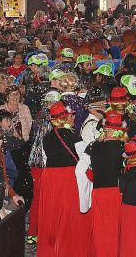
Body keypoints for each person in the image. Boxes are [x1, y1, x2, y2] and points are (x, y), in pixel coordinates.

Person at [35, 101, 92, 256]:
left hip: (51, 177)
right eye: (70, 115)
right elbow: (84, 159)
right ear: (65, 118)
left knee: (52, 214)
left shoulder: (46, 138)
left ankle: (52, 249)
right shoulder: (74, 136)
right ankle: (69, 249)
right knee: (69, 215)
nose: (73, 118)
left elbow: (46, 159)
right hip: (68, 177)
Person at [84, 110, 127, 257]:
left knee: (101, 229)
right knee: (116, 229)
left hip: (98, 191)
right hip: (116, 191)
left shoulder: (93, 146)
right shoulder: (123, 148)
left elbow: (86, 171)